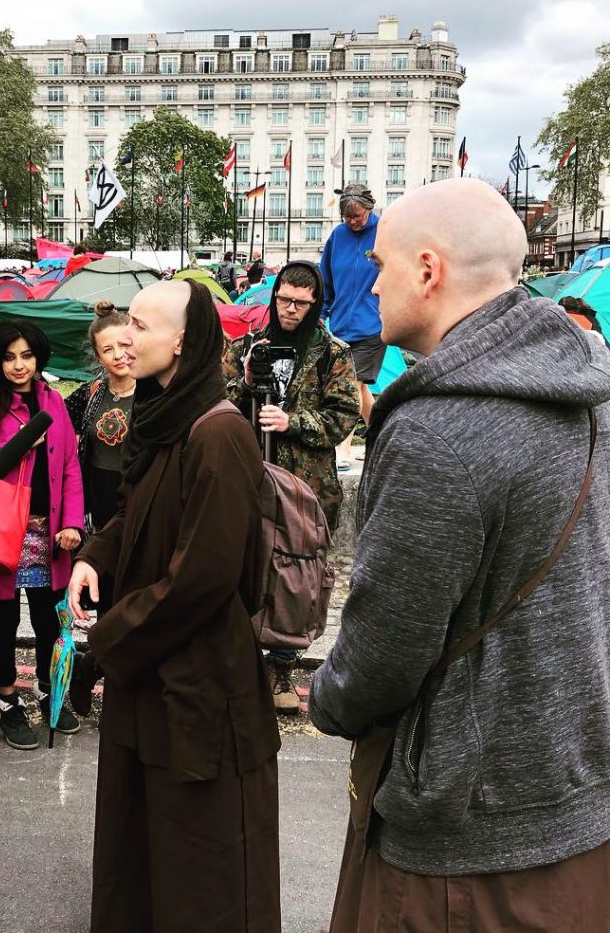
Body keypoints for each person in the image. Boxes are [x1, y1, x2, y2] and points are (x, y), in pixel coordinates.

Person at [310, 178, 610, 932]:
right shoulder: (589, 392)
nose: (371, 281)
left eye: (380, 264)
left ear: (428, 270)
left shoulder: (438, 430)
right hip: (578, 784)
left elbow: (385, 649)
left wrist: (328, 701)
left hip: (463, 837)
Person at [69, 280, 281, 933]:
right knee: (143, 850)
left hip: (199, 685)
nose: (123, 337)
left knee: (201, 866)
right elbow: (135, 508)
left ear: (182, 344)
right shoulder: (165, 418)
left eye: (139, 325)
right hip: (153, 676)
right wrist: (94, 558)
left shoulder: (218, 435)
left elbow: (204, 578)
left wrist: (106, 641)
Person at [223, 261, 360, 713]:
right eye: (284, 300)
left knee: (295, 576)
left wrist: (292, 421)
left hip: (305, 482)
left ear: (315, 303)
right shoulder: (248, 345)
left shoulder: (332, 353)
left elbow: (344, 417)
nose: (291, 310)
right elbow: (218, 402)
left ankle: (281, 663)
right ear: (274, 296)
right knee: (242, 565)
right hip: (250, 473)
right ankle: (239, 659)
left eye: (302, 303)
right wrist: (243, 381)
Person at [0, 322, 86, 750]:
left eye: (27, 355)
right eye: (10, 356)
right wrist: (15, 449)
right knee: (1, 622)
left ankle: (52, 694)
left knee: (50, 622)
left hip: (48, 535)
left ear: (38, 358)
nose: (18, 365)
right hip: (1, 534)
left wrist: (71, 522)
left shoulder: (54, 402)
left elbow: (69, 466)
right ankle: (8, 701)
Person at [63, 300, 133, 716]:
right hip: (97, 508)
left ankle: (93, 665)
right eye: (109, 350)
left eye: (126, 345)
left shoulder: (155, 391)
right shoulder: (89, 395)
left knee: (132, 597)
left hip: (137, 503)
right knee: (106, 599)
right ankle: (99, 667)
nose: (119, 355)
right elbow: (52, 429)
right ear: (98, 355)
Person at [320, 183, 383, 469]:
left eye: (358, 215)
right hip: (341, 324)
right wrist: (322, 313)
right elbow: (327, 278)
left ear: (369, 208)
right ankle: (381, 440)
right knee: (360, 389)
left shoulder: (385, 232)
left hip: (372, 326)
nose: (354, 221)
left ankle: (341, 448)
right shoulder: (338, 236)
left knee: (350, 385)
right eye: (347, 217)